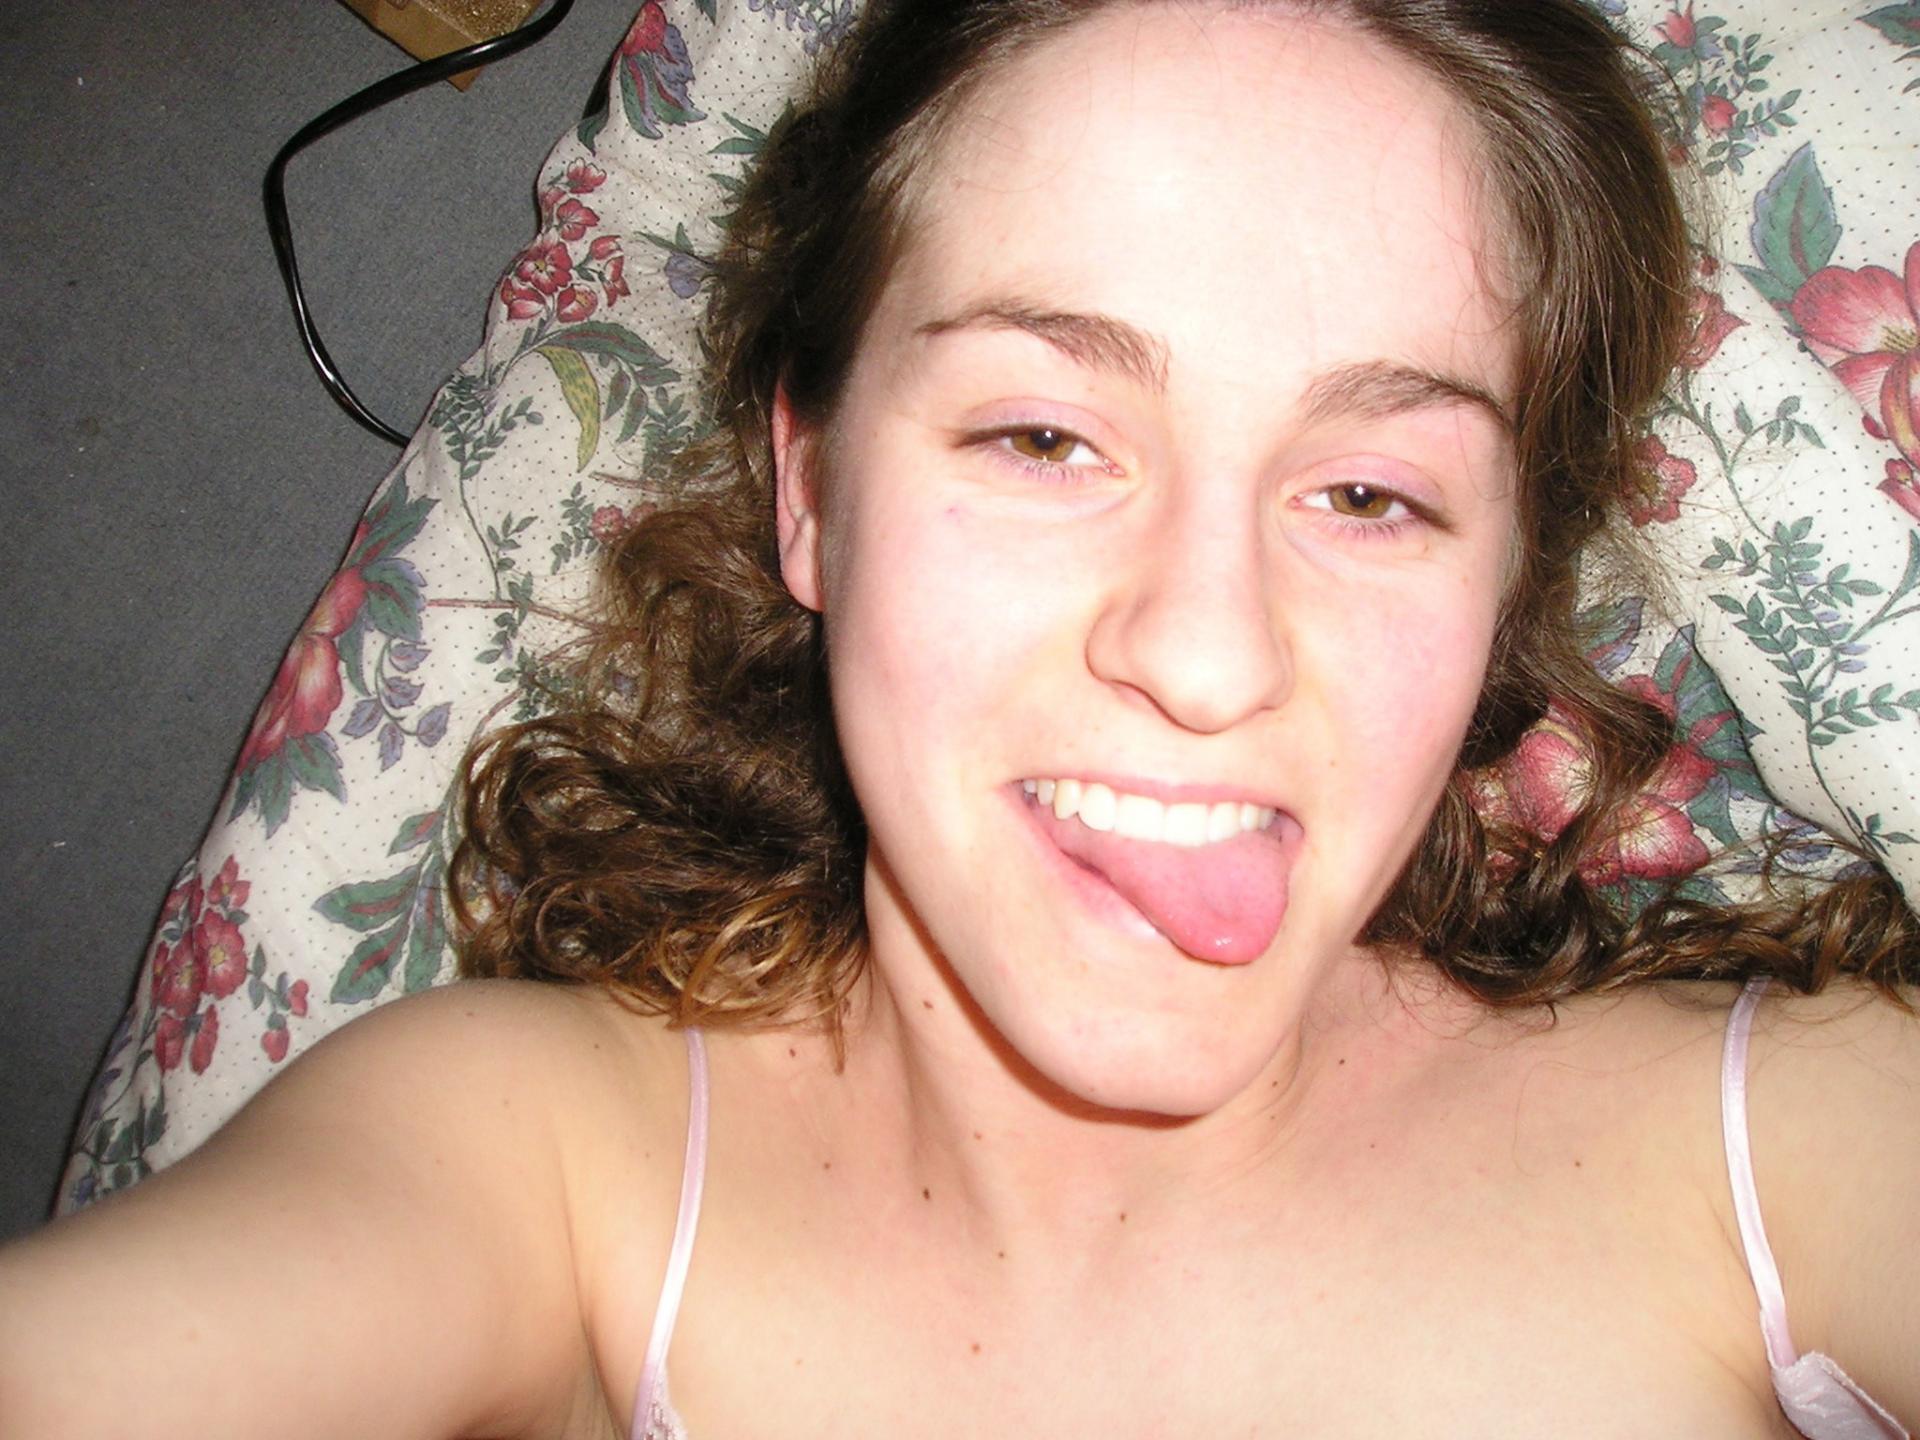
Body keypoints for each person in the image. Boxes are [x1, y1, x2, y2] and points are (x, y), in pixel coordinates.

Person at [3, 0, 1916, 1435]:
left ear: (1502, 591)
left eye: (1367, 493)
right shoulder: (538, 1165)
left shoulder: (1792, 1141)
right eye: (1041, 437)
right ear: (811, 495)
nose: (1206, 656)